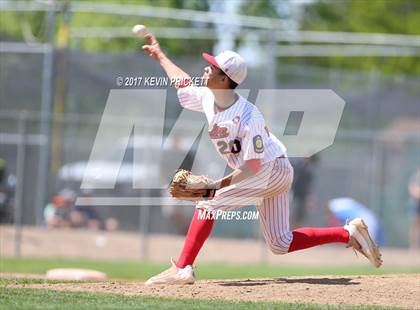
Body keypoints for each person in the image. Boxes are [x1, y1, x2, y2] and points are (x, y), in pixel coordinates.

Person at [141, 34, 382, 285]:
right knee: (280, 243)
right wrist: (161, 56)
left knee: (207, 204)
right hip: (268, 171)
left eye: (212, 67)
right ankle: (347, 233)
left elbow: (252, 166)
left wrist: (215, 187)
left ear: (224, 79)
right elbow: (184, 85)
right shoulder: (208, 97)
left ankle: (182, 268)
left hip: (269, 170)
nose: (206, 68)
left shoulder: (247, 116)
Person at [408, 170, 420, 250]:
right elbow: (413, 190)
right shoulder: (416, 178)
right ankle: (413, 247)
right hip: (416, 204)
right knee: (414, 226)